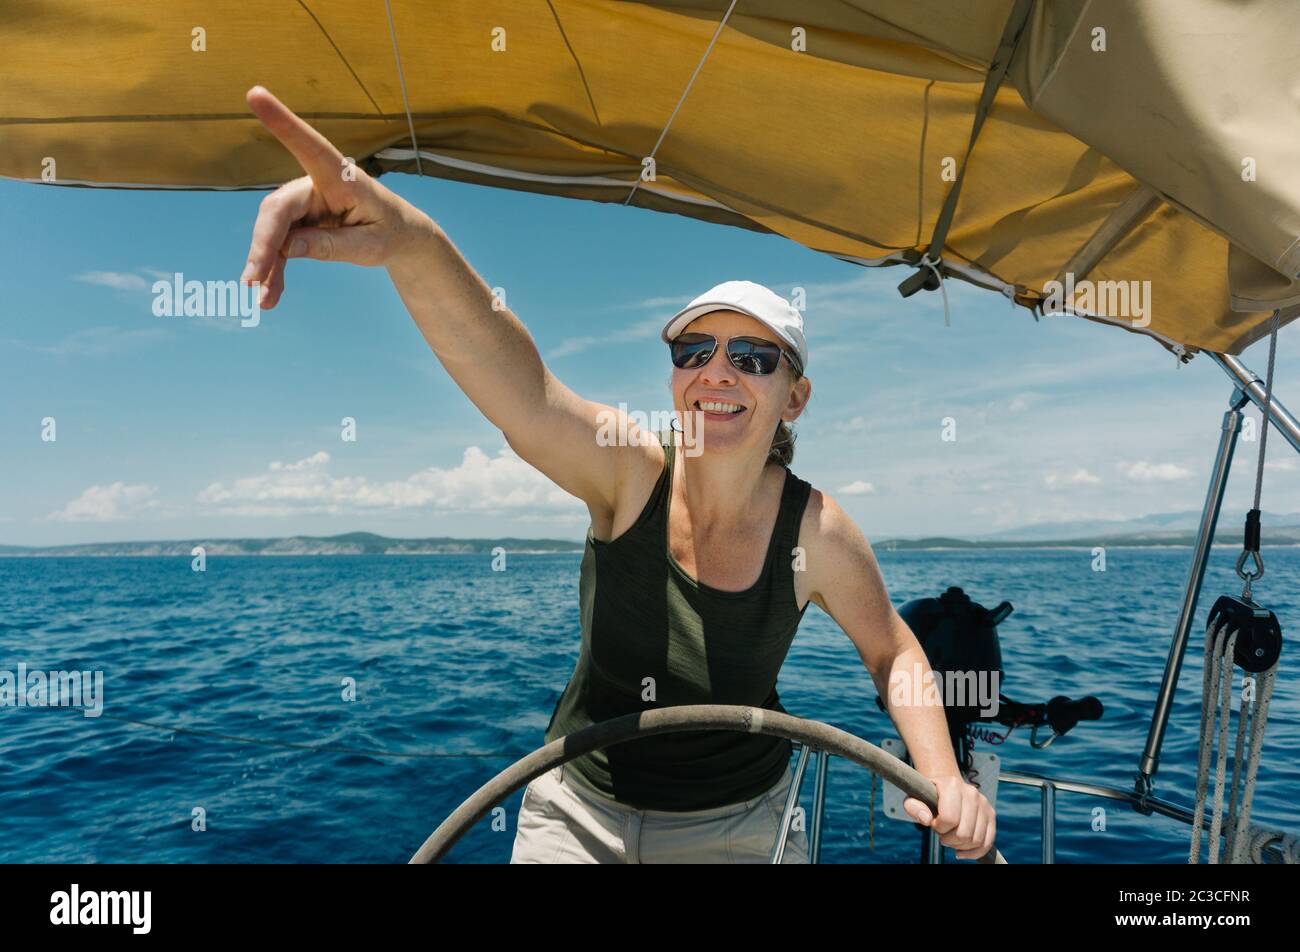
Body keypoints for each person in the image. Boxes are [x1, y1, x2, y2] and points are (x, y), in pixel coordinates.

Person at [239, 86, 996, 864]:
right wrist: (410, 242)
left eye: (753, 357)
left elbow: (895, 651)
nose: (717, 373)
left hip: (739, 823)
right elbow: (526, 395)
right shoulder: (632, 472)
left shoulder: (817, 532)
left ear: (793, 397)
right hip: (580, 812)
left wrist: (944, 777)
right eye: (693, 351)